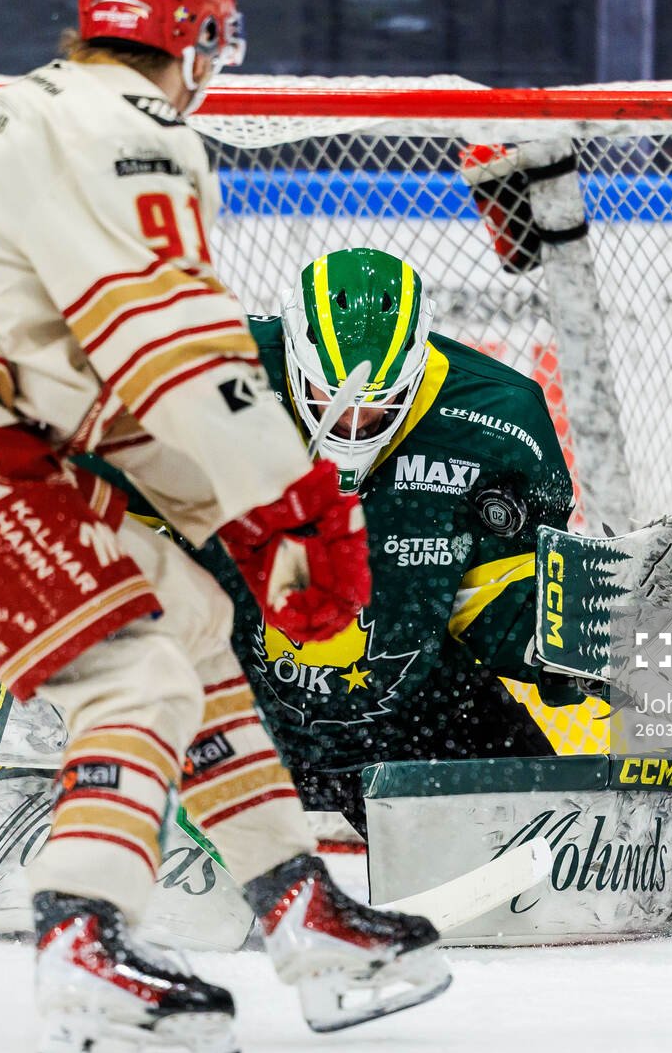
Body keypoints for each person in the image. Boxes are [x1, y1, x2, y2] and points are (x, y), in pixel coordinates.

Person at [0, 0, 448, 1053]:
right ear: (199, 34)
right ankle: (84, 945)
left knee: (191, 615)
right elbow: (172, 340)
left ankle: (302, 910)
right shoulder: (130, 127)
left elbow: (97, 386)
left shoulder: (28, 116)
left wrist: (234, 520)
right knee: (133, 674)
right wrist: (297, 501)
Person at [79, 247, 585, 839]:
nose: (353, 423)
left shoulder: (497, 422)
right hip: (220, 716)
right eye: (331, 397)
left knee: (557, 847)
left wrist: (596, 644)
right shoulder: (201, 381)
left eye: (378, 405)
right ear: (293, 356)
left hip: (415, 722)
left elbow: (500, 597)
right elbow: (81, 518)